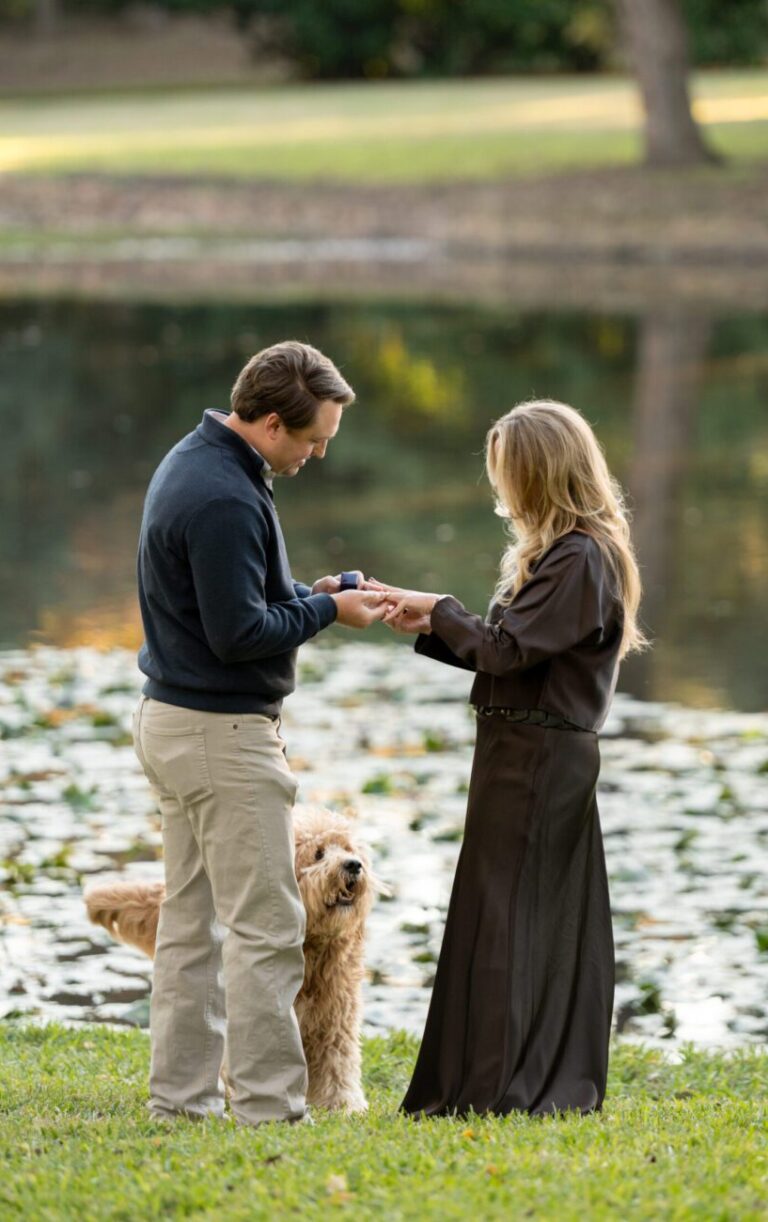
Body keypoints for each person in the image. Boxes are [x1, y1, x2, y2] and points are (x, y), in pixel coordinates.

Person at [132, 340, 388, 1128]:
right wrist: (326, 613)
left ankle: (180, 1101)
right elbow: (240, 633)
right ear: (272, 422)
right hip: (220, 735)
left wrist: (308, 595)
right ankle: (273, 1109)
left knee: (191, 922)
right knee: (268, 927)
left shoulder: (206, 459)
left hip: (177, 721)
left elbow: (235, 599)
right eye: (313, 440)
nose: (316, 455)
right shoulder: (224, 497)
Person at [375, 399, 649, 1118]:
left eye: (508, 474)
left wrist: (441, 607)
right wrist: (428, 619)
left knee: (510, 919)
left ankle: (499, 1086)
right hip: (520, 749)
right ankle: (485, 1079)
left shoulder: (582, 556)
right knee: (500, 914)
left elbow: (506, 649)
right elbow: (514, 655)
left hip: (538, 757)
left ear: (540, 474)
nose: (501, 491)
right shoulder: (567, 555)